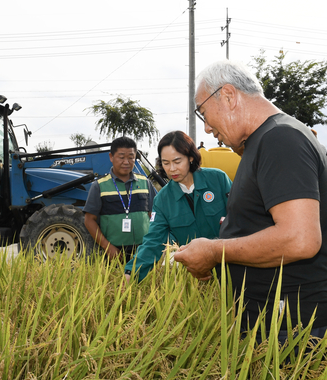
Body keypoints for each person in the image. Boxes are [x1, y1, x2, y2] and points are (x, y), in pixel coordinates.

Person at [174, 60, 327, 336]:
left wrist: (213, 251)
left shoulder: (280, 139)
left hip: (289, 329)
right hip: (274, 322)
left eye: (203, 113)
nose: (207, 128)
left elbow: (300, 239)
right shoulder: (265, 141)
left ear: (229, 96)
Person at [124, 131, 231, 282]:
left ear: (191, 157)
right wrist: (130, 275)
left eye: (177, 161)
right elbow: (153, 241)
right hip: (197, 274)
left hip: (231, 264)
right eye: (165, 163)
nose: (172, 169)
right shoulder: (162, 200)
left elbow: (241, 219)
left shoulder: (218, 179)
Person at [83, 136, 156, 261]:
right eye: (121, 157)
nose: (126, 162)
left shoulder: (145, 183)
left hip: (143, 252)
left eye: (131, 157)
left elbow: (154, 214)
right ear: (111, 157)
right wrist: (107, 247)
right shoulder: (99, 186)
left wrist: (152, 244)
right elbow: (89, 220)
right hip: (113, 253)